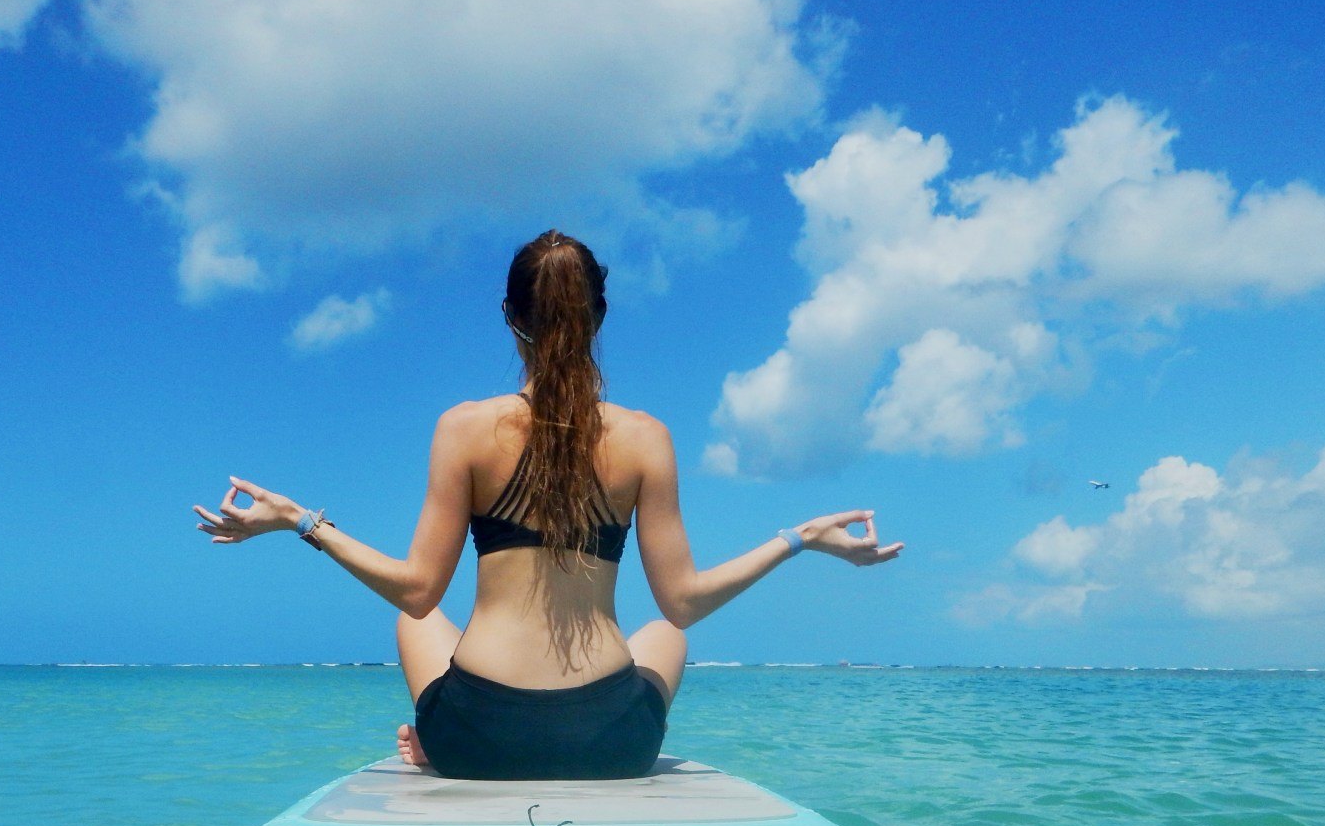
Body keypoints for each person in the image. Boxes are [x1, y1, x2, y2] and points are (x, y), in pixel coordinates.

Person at [193, 230, 903, 781]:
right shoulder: (645, 438)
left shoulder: (464, 428)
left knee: (418, 623)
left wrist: (301, 522)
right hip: (612, 744)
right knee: (668, 634)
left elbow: (415, 592)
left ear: (509, 315)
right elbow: (683, 602)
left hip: (475, 740)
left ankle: (426, 741)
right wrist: (800, 536)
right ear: (598, 315)